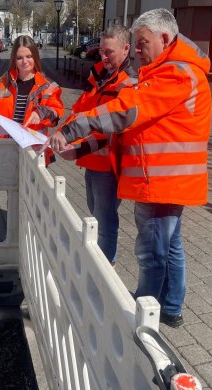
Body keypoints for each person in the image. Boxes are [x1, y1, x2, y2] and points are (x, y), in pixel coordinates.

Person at [50, 9, 212, 328]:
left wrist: (71, 131)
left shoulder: (174, 73)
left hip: (160, 182)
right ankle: (171, 307)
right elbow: (121, 131)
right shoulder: (166, 71)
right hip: (166, 181)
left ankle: (141, 320)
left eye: (141, 43)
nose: (137, 50)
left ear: (164, 39)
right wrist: (81, 145)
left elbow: (125, 112)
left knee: (152, 254)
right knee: (170, 246)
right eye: (135, 44)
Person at [55, 25, 137, 266]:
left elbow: (111, 129)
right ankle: (100, 262)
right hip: (92, 160)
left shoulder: (128, 83)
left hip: (108, 164)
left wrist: (77, 147)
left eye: (108, 52)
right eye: (101, 50)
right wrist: (63, 132)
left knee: (105, 219)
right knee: (96, 212)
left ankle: (105, 268)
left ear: (126, 49)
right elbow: (81, 111)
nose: (103, 56)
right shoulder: (100, 75)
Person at [0, 35, 64, 164]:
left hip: (34, 152)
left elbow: (56, 114)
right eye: (20, 58)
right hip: (6, 149)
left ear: (35, 56)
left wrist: (41, 112)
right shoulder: (4, 83)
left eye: (29, 56)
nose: (25, 61)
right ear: (14, 59)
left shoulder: (48, 86)